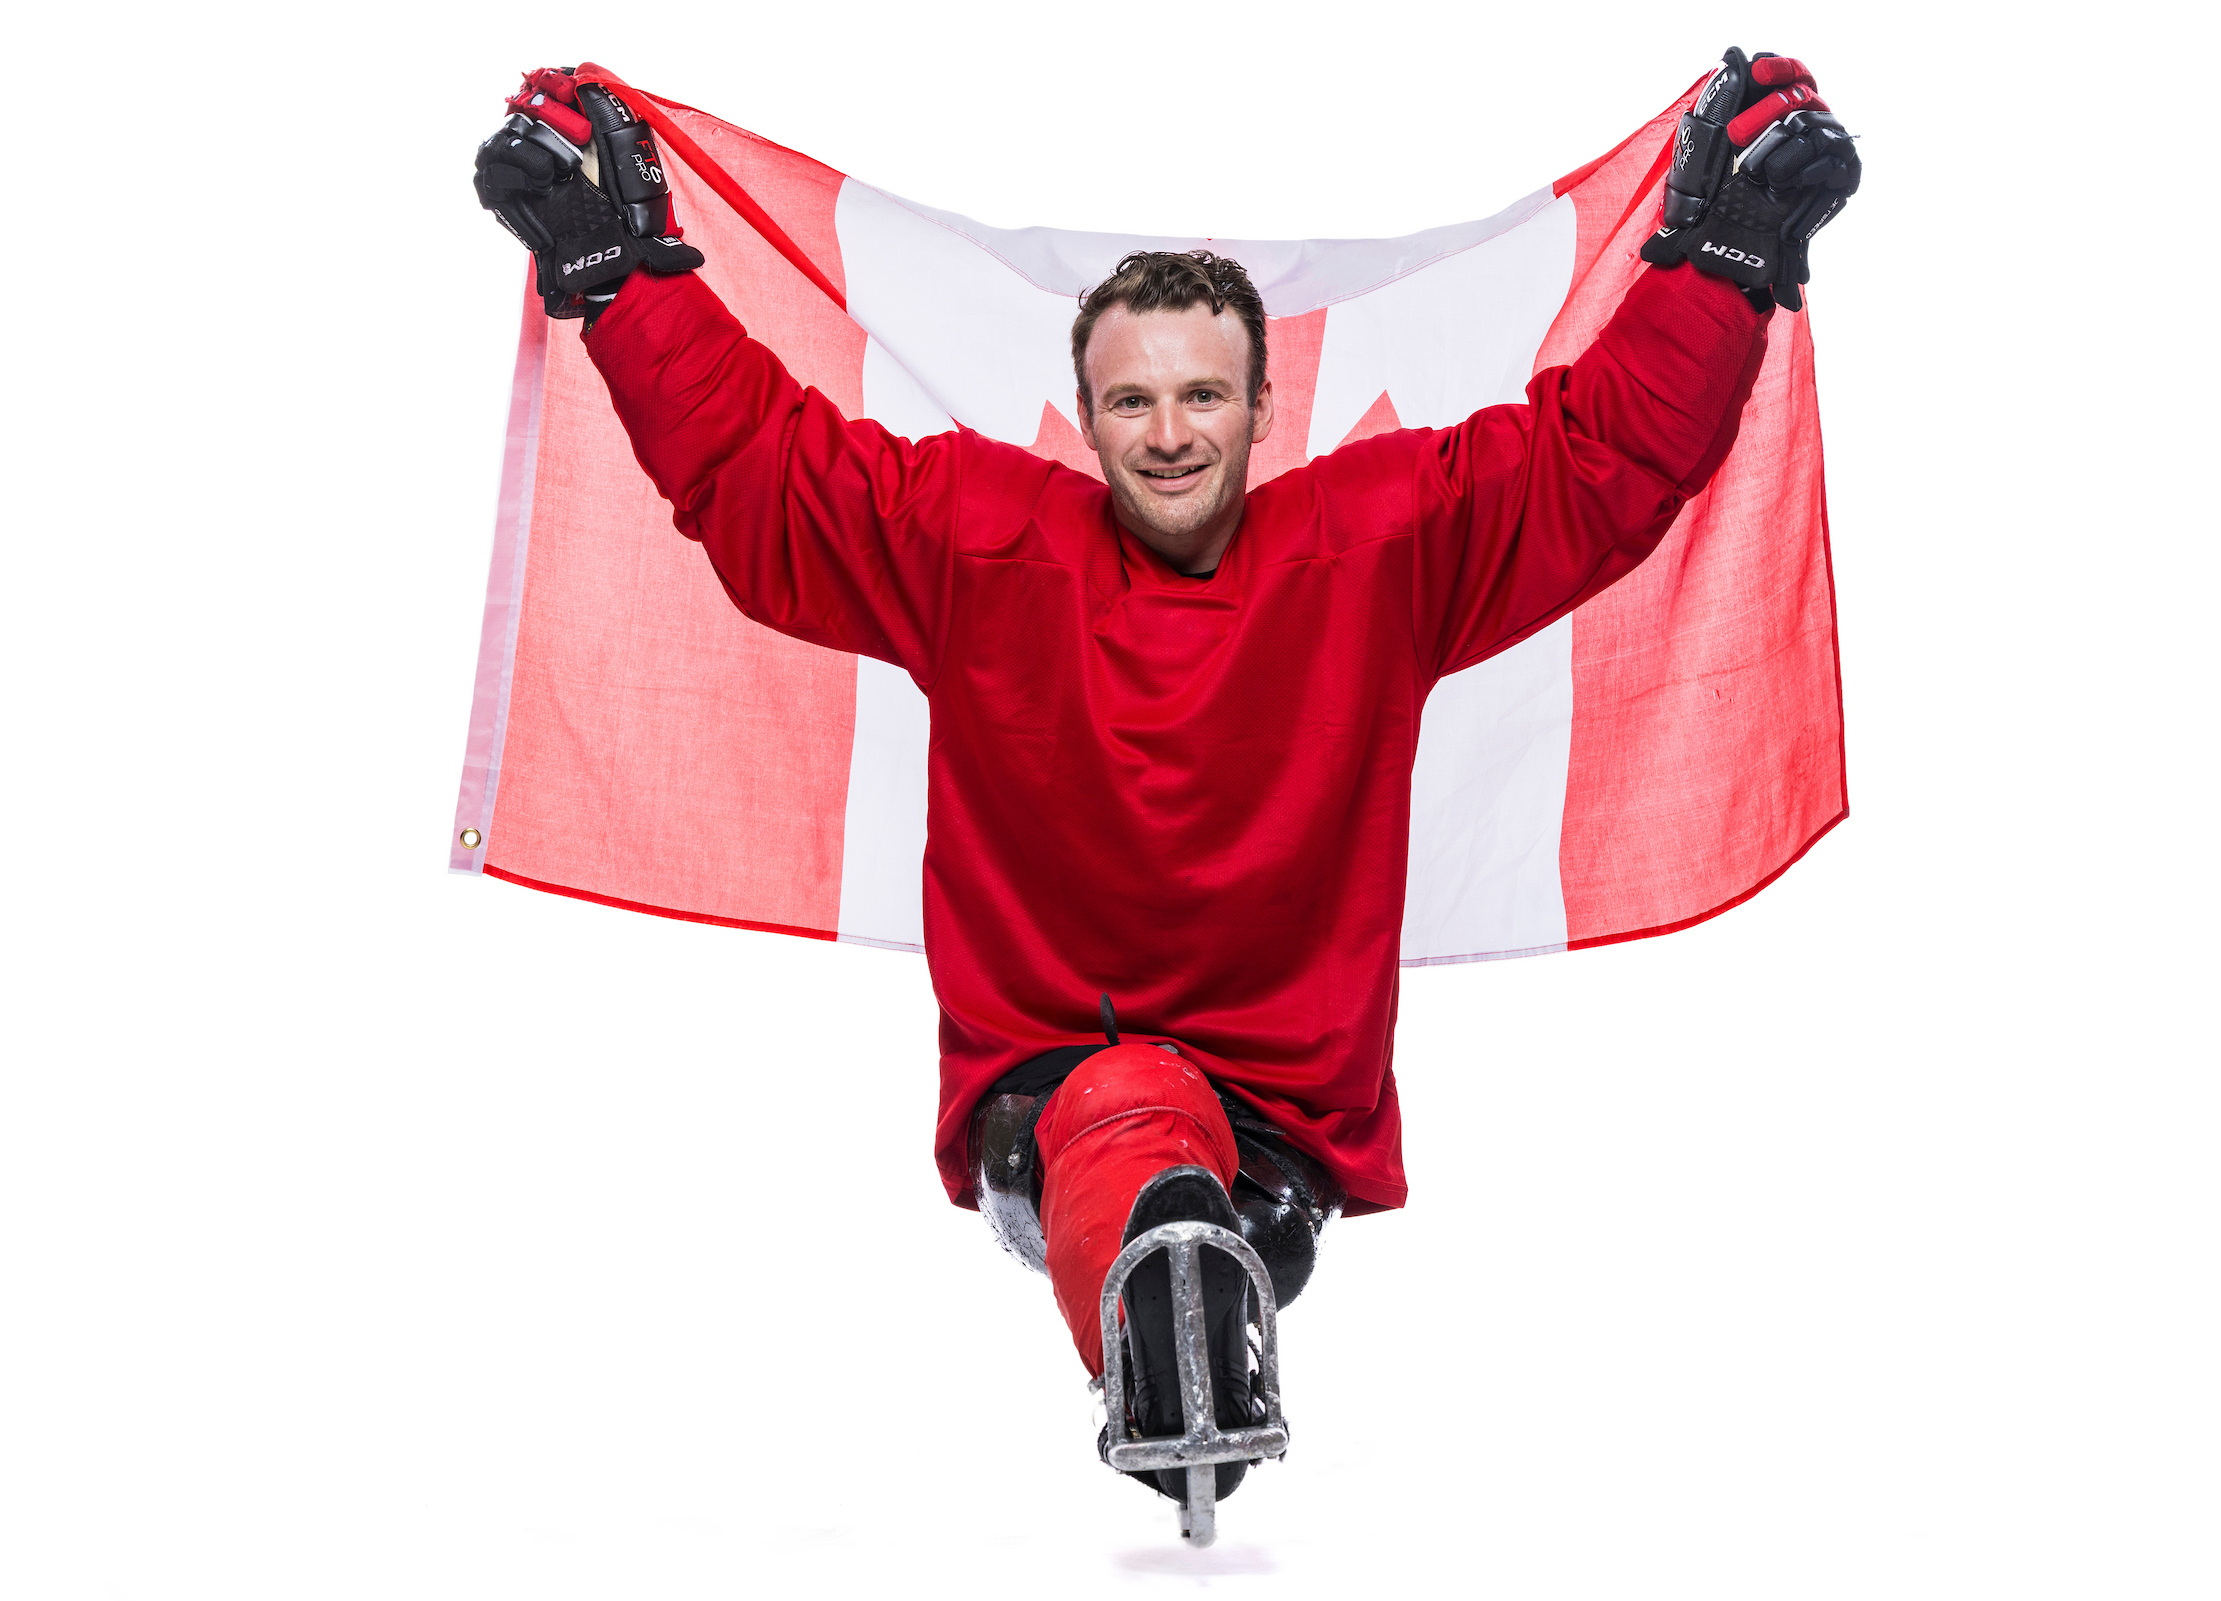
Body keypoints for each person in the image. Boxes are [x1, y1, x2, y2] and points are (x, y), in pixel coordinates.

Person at [472, 49, 1860, 1517]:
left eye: (1204, 395)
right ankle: (1170, 1302)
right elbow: (764, 475)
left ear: (1263, 413)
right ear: (1081, 414)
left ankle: (1193, 1288)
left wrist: (1725, 265)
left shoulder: (1376, 551)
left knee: (1182, 1154)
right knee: (1128, 1118)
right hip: (1058, 1084)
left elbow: (1599, 464)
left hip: (1282, 1115)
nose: (1172, 432)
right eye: (1133, 402)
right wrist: (620, 280)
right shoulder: (977, 540)